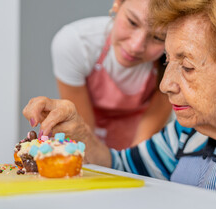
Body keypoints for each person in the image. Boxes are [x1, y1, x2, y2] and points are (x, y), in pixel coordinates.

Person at [23, 0, 216, 208]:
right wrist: (80, 134)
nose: (165, 85)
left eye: (187, 66)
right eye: (167, 61)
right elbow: (120, 167)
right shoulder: (186, 134)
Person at [48, 0, 172, 150]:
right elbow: (82, 135)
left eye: (158, 38)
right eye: (132, 22)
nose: (136, 47)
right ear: (117, 4)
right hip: (87, 144)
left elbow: (140, 149)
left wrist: (127, 168)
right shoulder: (76, 44)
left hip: (137, 150)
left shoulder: (171, 62)